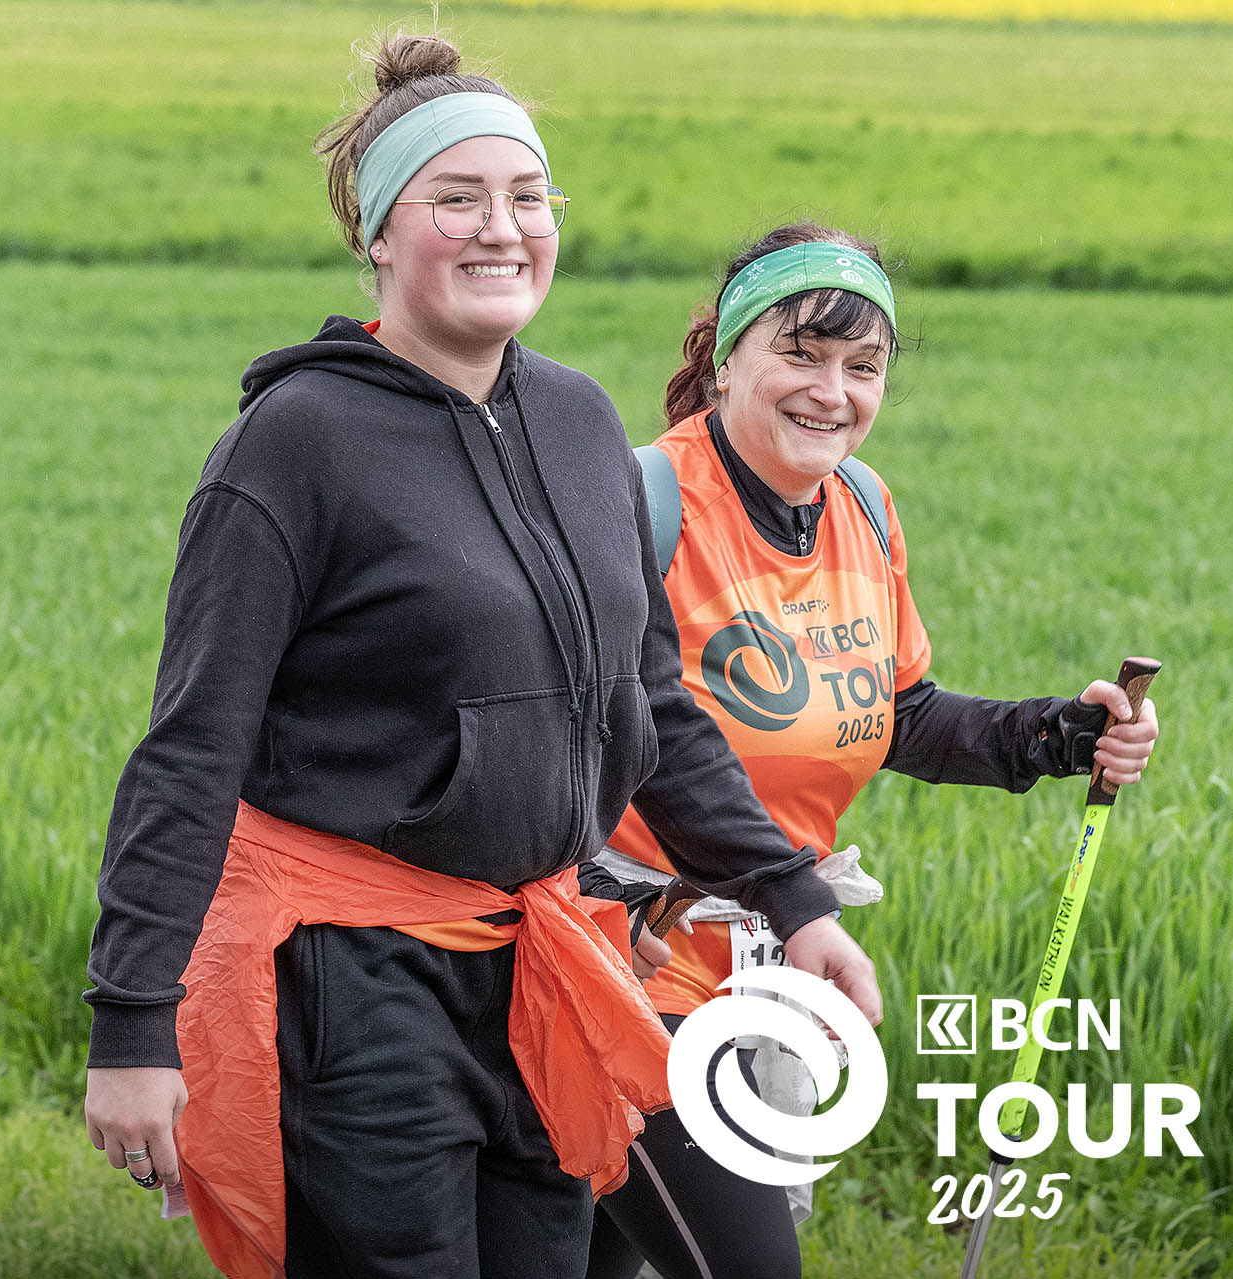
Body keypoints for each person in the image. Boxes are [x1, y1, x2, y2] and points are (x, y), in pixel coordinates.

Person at [81, 36, 886, 1279]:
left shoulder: (579, 423)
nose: (501, 229)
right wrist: (134, 1023)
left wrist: (792, 896)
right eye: (455, 198)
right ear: (378, 234)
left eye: (527, 197)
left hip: (544, 967)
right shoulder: (295, 444)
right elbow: (192, 748)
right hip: (355, 986)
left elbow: (646, 704)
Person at [583, 223, 1161, 1279]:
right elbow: (633, 734)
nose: (832, 391)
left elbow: (899, 713)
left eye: (864, 364)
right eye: (800, 353)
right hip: (631, 963)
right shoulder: (643, 506)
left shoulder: (861, 504)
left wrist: (1057, 735)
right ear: (725, 359)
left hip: (765, 960)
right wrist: (772, 899)